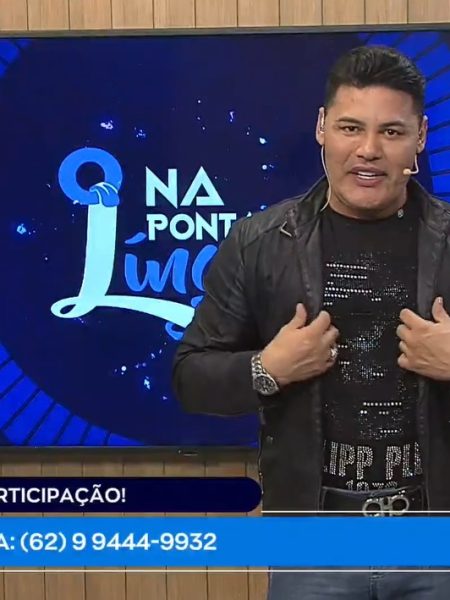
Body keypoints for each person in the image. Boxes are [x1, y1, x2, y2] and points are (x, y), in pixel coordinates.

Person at [172, 45, 450, 599]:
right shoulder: (257, 242)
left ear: (420, 137)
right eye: (351, 127)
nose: (368, 150)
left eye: (391, 132)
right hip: (313, 539)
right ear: (322, 127)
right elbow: (190, 377)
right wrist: (266, 369)